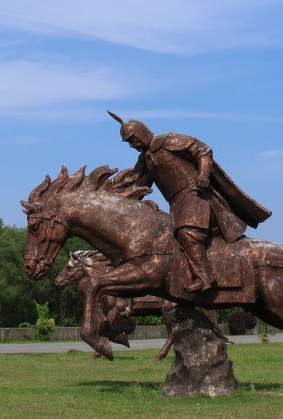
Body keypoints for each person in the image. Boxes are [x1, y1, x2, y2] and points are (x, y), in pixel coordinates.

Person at [109, 112, 270, 292]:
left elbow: (203, 150)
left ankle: (205, 276)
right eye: (129, 142)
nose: (132, 145)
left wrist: (203, 173)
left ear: (141, 134)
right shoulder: (145, 160)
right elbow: (138, 184)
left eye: (132, 140)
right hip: (177, 204)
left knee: (187, 232)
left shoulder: (168, 140)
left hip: (196, 196)